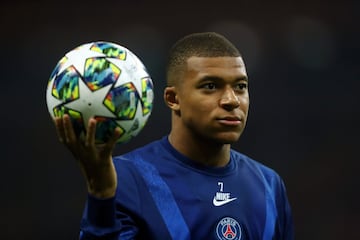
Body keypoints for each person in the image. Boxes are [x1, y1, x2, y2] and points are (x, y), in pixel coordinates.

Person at [54, 32, 294, 240]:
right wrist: (102, 195)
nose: (231, 100)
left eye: (240, 86)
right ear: (173, 99)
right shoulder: (126, 180)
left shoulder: (269, 185)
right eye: (210, 86)